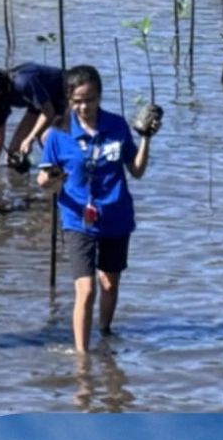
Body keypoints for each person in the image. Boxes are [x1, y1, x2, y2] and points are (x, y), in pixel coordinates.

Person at [37, 66, 159, 354]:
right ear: (68, 100)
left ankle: (104, 331)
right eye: (77, 100)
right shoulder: (58, 132)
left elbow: (137, 170)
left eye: (89, 100)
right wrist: (50, 179)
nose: (84, 107)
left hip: (116, 216)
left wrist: (146, 139)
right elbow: (44, 180)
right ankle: (82, 355)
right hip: (77, 219)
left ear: (99, 97)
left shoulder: (116, 126)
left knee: (109, 284)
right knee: (86, 289)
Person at [0, 62, 66, 173]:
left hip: (64, 96)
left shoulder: (23, 82)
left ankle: (65, 172)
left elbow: (48, 112)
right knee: (14, 155)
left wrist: (30, 139)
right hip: (40, 105)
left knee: (46, 137)